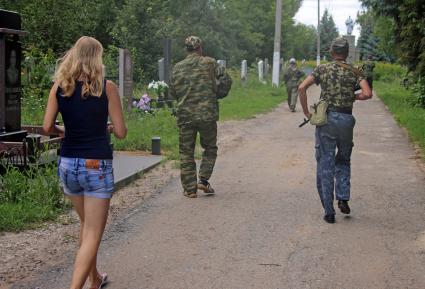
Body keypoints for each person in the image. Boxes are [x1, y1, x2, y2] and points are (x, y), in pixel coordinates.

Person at [43, 36, 127, 289]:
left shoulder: (60, 86)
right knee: (92, 232)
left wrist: (63, 131)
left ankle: (95, 278)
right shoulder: (107, 87)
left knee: (86, 225)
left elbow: (47, 126)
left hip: (68, 165)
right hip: (95, 166)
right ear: (97, 57)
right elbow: (122, 132)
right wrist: (108, 128)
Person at [298, 37, 372, 224]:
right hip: (347, 120)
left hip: (327, 120)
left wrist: (307, 112)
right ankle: (343, 197)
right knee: (344, 160)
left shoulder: (322, 69)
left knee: (325, 163)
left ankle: (329, 212)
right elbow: (368, 93)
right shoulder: (355, 71)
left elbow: (302, 87)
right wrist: (354, 97)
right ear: (347, 53)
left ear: (332, 52)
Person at [170, 36, 230, 198]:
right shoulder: (210, 63)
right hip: (207, 114)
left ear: (186, 49)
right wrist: (217, 93)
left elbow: (172, 91)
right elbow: (226, 80)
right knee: (210, 147)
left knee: (186, 152)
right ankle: (203, 180)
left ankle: (190, 189)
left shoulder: (177, 67)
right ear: (200, 48)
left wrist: (183, 99)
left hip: (185, 115)